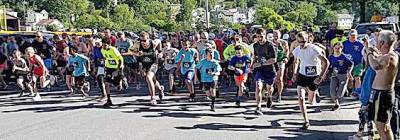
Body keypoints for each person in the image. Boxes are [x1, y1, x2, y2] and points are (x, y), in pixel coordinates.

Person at [292, 31, 330, 129]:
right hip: (302, 76)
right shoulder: (297, 50)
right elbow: (296, 62)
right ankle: (306, 121)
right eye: (300, 42)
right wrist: (295, 73)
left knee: (310, 101)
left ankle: (315, 92)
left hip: (314, 77)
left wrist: (321, 77)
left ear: (308, 40)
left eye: (304, 41)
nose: (302, 44)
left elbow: (326, 62)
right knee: (300, 98)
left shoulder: (314, 49)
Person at [367, 30, 398, 140]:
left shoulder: (389, 57)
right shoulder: (385, 55)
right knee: (385, 126)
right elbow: (377, 60)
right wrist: (373, 52)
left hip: (383, 95)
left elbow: (375, 66)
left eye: (378, 40)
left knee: (381, 127)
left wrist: (369, 52)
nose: (375, 42)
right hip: (379, 94)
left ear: (382, 43)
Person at [252, 28, 278, 115]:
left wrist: (262, 64)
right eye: (258, 36)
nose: (260, 39)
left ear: (265, 35)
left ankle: (270, 97)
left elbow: (274, 59)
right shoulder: (255, 45)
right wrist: (253, 64)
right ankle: (258, 107)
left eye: (261, 36)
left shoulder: (270, 45)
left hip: (269, 70)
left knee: (269, 88)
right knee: (258, 87)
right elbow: (255, 57)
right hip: (260, 70)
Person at [137, 32, 164, 105]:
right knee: (153, 80)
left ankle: (153, 98)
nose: (143, 43)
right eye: (141, 41)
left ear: (148, 39)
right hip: (144, 64)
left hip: (153, 63)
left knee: (148, 77)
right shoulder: (138, 45)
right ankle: (160, 89)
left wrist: (160, 52)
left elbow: (159, 41)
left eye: (145, 41)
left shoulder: (153, 43)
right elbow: (139, 60)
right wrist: (140, 69)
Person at [329, 42, 353, 111]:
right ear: (333, 48)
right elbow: (328, 66)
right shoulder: (331, 57)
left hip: (343, 75)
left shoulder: (344, 57)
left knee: (340, 94)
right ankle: (336, 104)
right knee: (332, 93)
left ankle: (344, 89)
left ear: (342, 49)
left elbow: (351, 64)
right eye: (335, 48)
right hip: (334, 75)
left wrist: (349, 72)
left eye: (338, 48)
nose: (337, 49)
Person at [101, 37, 124, 108]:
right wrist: (105, 66)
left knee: (116, 84)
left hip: (117, 67)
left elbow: (120, 59)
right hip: (109, 68)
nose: (103, 47)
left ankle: (121, 80)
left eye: (105, 45)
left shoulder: (113, 50)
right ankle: (109, 100)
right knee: (106, 83)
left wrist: (118, 70)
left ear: (109, 45)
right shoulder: (102, 50)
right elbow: (105, 58)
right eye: (103, 45)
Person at [343, 29, 365, 98]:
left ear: (357, 36)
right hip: (348, 64)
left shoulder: (360, 44)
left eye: (354, 35)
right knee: (350, 78)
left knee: (357, 78)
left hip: (358, 64)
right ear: (348, 36)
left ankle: (358, 93)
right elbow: (341, 52)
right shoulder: (344, 43)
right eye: (351, 35)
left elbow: (365, 53)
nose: (353, 37)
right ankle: (350, 91)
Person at [273, 30, 289, 102]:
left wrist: (286, 57)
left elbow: (287, 51)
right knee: (273, 78)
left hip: (281, 61)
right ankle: (272, 91)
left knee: (279, 78)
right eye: (274, 35)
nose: (275, 36)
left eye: (277, 35)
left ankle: (279, 95)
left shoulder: (283, 42)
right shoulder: (270, 42)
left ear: (280, 35)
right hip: (272, 62)